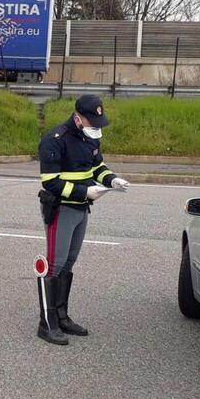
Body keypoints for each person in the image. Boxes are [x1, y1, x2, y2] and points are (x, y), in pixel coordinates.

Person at [36, 95, 129, 346]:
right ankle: (47, 323)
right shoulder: (55, 140)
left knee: (69, 262)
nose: (96, 125)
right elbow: (50, 182)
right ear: (78, 117)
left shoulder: (91, 137)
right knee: (55, 264)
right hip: (62, 208)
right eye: (92, 120)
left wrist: (112, 180)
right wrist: (84, 192)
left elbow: (97, 167)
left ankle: (63, 316)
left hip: (82, 208)